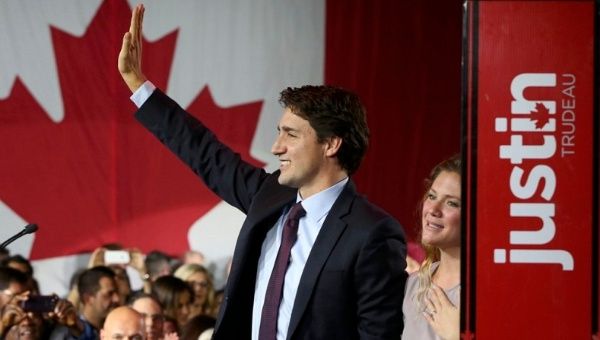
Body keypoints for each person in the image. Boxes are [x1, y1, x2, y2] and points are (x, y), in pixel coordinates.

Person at [118, 4, 407, 339]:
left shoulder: (372, 232)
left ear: (331, 145)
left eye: (291, 134)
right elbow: (204, 153)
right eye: (279, 131)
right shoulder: (269, 197)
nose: (276, 146)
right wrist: (138, 85)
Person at [401, 155, 461, 340]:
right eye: (432, 196)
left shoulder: (489, 294)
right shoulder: (412, 285)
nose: (433, 209)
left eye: (451, 203)